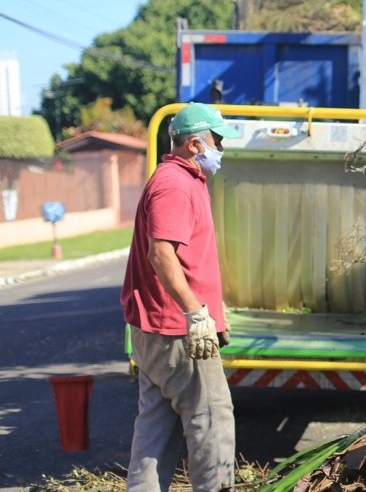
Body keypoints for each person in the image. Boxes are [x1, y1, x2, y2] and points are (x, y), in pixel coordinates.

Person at [120, 102, 239, 492]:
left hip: (160, 327)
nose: (221, 148)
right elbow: (161, 254)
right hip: (175, 330)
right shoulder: (174, 185)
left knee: (157, 425)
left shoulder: (183, 179)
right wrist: (196, 314)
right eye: (217, 141)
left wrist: (214, 313)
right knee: (211, 420)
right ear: (193, 144)